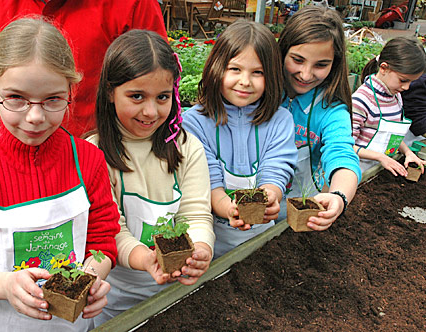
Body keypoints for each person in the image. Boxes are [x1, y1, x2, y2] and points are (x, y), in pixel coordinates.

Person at [0, 18, 121, 332]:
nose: (35, 117)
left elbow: (102, 239)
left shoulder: (88, 160)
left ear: (71, 91)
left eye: (53, 99)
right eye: (16, 97)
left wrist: (93, 277)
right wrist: (5, 286)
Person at [87, 29, 215, 326]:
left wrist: (200, 249)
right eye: (136, 96)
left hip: (176, 294)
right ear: (109, 91)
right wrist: (147, 259)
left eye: (162, 97)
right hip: (116, 301)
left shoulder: (186, 147)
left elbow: (196, 213)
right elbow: (110, 231)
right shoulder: (95, 153)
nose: (150, 111)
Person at [182, 20, 297, 259]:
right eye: (235, 69)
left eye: (258, 72)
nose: (245, 81)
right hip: (210, 245)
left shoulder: (280, 120)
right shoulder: (194, 122)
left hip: (262, 242)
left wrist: (270, 198)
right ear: (216, 68)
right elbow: (208, 182)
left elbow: (277, 169)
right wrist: (230, 210)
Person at [0, 0, 167, 139]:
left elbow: (158, 81)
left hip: (105, 153)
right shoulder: (3, 6)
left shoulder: (132, 5)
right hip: (19, 154)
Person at [277, 6, 361, 230]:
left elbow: (342, 154)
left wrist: (338, 196)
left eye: (321, 65)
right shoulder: (263, 92)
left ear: (335, 64)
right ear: (282, 51)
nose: (305, 74)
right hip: (245, 214)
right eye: (297, 60)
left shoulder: (331, 110)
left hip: (298, 220)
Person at [352, 37, 426, 177]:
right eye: (403, 80)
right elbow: (346, 145)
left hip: (380, 169)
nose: (406, 87)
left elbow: (392, 137)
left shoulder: (395, 97)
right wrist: (380, 157)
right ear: (384, 68)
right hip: (357, 172)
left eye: (411, 82)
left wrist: (408, 152)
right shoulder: (362, 101)